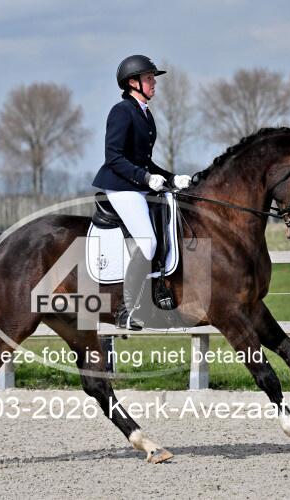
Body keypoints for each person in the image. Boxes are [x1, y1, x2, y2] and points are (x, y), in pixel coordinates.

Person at [92, 54, 192, 330]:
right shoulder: (121, 111)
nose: (154, 83)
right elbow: (114, 157)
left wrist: (172, 178)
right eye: (149, 78)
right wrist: (146, 178)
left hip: (136, 183)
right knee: (147, 242)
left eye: (152, 79)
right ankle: (125, 309)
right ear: (133, 82)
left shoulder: (145, 114)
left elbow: (145, 161)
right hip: (120, 185)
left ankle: (160, 288)